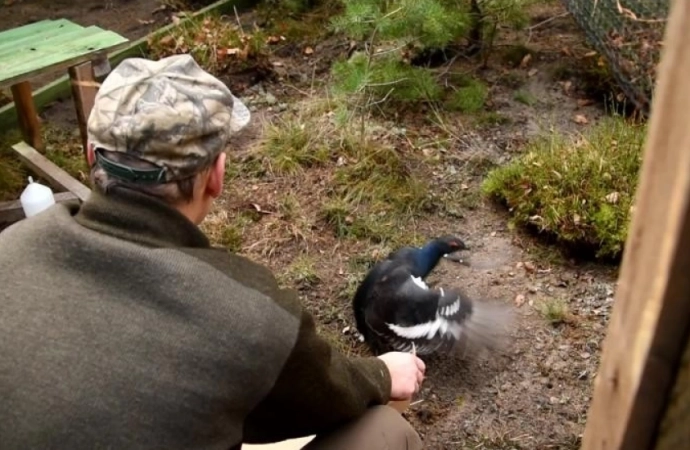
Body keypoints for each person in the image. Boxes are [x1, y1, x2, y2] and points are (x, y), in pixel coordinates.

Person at [0, 54, 426, 450]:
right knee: (384, 430)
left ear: (92, 155)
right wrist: (386, 373)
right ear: (216, 176)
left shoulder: (11, 247)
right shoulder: (246, 312)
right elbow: (328, 395)